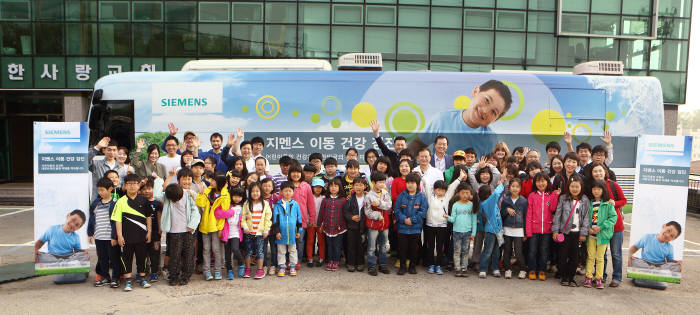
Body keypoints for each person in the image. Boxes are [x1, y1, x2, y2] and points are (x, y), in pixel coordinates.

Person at [418, 80, 513, 156]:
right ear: (476, 91)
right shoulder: (443, 119)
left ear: (496, 119)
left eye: (493, 112)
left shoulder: (490, 139)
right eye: (487, 100)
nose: (485, 111)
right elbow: (418, 144)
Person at [154, 168, 200, 286]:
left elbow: (196, 212)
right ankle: (173, 276)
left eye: (189, 179)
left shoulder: (189, 194)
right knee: (174, 254)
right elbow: (158, 194)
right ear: (178, 180)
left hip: (188, 231)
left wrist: (192, 225)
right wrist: (161, 180)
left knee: (189, 254)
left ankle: (186, 276)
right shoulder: (169, 193)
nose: (186, 181)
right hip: (174, 231)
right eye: (183, 179)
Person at [585, 162, 626, 287]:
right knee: (600, 255)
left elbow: (624, 200)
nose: (598, 173)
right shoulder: (592, 188)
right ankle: (600, 276)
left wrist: (614, 204)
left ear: (605, 171)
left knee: (616, 253)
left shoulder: (613, 184)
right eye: (595, 171)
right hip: (596, 231)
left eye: (600, 171)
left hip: (615, 226)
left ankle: (617, 278)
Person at [111, 174, 153, 291]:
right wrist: (119, 235)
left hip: (141, 236)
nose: (132, 186)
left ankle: (142, 278)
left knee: (142, 257)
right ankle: (128, 281)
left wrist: (149, 231)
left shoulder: (144, 200)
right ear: (125, 186)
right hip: (126, 237)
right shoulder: (120, 201)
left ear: (139, 185)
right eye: (129, 184)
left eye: (135, 183)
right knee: (126, 258)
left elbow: (148, 217)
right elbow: (117, 220)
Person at [424, 169, 465, 275]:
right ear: (434, 190)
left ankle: (438, 265)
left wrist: (460, 178)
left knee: (440, 246)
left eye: (442, 190)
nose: (440, 192)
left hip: (442, 225)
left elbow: (452, 187)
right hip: (430, 225)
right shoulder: (430, 197)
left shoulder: (447, 197)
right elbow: (426, 184)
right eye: (438, 190)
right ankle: (431, 265)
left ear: (445, 191)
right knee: (430, 246)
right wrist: (421, 175)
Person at [552, 174, 590, 287]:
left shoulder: (585, 200)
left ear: (581, 187)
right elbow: (558, 215)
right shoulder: (563, 198)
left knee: (575, 257)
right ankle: (564, 276)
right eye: (572, 186)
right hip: (565, 232)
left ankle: (571, 277)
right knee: (562, 255)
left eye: (577, 187)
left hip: (577, 233)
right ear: (568, 187)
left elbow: (586, 218)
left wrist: (583, 233)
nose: (574, 189)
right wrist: (555, 230)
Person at [628, 221, 683, 289]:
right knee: (633, 260)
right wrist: (630, 254)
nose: (667, 235)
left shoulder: (669, 247)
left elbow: (669, 261)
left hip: (659, 267)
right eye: (668, 230)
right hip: (645, 264)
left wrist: (677, 263)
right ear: (663, 226)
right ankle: (649, 275)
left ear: (673, 239)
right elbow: (635, 247)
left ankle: (651, 275)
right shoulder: (647, 237)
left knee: (677, 266)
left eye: (671, 236)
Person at [583, 180, 617, 289]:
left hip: (602, 236)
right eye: (594, 189)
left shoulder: (608, 204)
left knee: (600, 258)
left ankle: (599, 278)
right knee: (590, 256)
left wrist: (601, 227)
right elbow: (584, 218)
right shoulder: (589, 203)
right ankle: (588, 277)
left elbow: (613, 218)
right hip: (591, 235)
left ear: (603, 190)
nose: (596, 191)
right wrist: (588, 228)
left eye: (599, 189)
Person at [525, 172, 559, 281]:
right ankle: (531, 270)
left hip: (547, 230)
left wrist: (555, 195)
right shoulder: (532, 195)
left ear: (547, 182)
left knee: (544, 251)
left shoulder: (550, 195)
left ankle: (542, 270)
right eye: (538, 181)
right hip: (534, 229)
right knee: (532, 251)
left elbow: (553, 209)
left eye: (543, 181)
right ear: (535, 183)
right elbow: (529, 214)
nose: (541, 183)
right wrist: (528, 231)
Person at [196, 174, 229, 281]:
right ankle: (206, 271)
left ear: (220, 183)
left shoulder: (225, 195)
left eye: (213, 180)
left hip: (215, 227)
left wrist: (220, 228)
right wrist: (200, 194)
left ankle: (217, 270)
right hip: (205, 225)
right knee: (206, 249)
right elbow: (200, 204)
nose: (211, 181)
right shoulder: (207, 191)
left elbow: (224, 213)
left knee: (216, 249)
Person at [87, 177, 119, 287]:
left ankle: (115, 277)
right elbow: (92, 219)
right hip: (99, 236)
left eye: (102, 190)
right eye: (98, 190)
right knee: (102, 258)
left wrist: (115, 236)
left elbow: (117, 221)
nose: (100, 192)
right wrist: (90, 233)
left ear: (110, 189)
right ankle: (105, 277)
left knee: (114, 258)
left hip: (111, 237)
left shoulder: (115, 203)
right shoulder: (95, 203)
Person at [394, 173, 428, 275]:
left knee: (413, 249)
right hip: (402, 228)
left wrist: (412, 220)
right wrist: (404, 219)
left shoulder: (422, 197)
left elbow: (423, 211)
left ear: (417, 184)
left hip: (415, 228)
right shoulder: (401, 195)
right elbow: (397, 210)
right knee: (402, 248)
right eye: (408, 182)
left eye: (412, 183)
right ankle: (403, 267)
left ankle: (412, 266)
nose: (410, 185)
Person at [241, 182, 273, 279]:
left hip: (260, 233)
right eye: (253, 191)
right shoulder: (246, 204)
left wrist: (266, 230)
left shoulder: (265, 204)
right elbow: (242, 218)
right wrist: (245, 227)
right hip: (249, 232)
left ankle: (259, 270)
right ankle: (248, 269)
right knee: (248, 251)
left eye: (257, 191)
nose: (255, 193)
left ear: (261, 192)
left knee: (260, 251)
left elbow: (268, 218)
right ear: (249, 193)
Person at [364, 172, 393, 276]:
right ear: (373, 183)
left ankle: (383, 265)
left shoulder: (385, 193)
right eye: (380, 182)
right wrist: (377, 215)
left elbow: (389, 205)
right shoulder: (368, 196)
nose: (382, 184)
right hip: (373, 226)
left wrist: (380, 204)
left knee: (383, 245)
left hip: (384, 225)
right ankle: (371, 266)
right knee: (372, 247)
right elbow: (367, 211)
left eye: (383, 182)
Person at [288, 161, 316, 268]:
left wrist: (312, 218)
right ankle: (289, 260)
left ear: (301, 173)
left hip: (302, 220)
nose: (296, 174)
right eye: (293, 172)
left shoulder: (306, 186)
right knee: (289, 241)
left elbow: (310, 203)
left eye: (298, 172)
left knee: (300, 241)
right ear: (290, 173)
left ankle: (297, 261)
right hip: (287, 220)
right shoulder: (287, 185)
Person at [272, 181, 303, 277]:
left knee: (293, 250)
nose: (288, 193)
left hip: (292, 232)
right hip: (281, 233)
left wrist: (299, 231)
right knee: (281, 251)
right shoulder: (277, 205)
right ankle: (282, 266)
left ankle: (292, 265)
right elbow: (275, 220)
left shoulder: (295, 204)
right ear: (281, 192)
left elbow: (299, 219)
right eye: (285, 191)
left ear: (293, 192)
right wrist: (277, 232)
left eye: (290, 191)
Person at [213, 185, 244, 280]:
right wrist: (229, 213)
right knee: (227, 254)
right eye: (235, 196)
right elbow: (218, 214)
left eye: (239, 197)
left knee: (235, 249)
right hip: (226, 232)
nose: (237, 198)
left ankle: (241, 263)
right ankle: (229, 271)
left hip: (236, 232)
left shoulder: (243, 207)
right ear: (231, 196)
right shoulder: (228, 206)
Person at [500, 178, 528, 280]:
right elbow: (501, 214)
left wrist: (525, 232)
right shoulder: (506, 200)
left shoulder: (524, 201)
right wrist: (506, 210)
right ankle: (507, 269)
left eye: (517, 186)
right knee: (507, 250)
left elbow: (526, 217)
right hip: (507, 228)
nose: (515, 188)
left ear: (520, 188)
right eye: (513, 186)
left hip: (519, 230)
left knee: (518, 251)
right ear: (509, 188)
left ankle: (523, 269)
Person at [477, 177, 505, 279]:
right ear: (488, 194)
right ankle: (483, 269)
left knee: (496, 251)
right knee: (488, 250)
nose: (493, 191)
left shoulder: (490, 202)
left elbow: (496, 195)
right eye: (491, 191)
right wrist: (501, 183)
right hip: (491, 230)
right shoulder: (487, 203)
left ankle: (495, 268)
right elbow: (496, 194)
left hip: (497, 230)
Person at [447, 183, 477, 277]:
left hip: (467, 232)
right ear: (459, 193)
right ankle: (457, 268)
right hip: (456, 232)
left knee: (465, 251)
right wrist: (447, 217)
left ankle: (464, 268)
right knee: (457, 251)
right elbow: (453, 219)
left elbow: (474, 220)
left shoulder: (472, 205)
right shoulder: (455, 205)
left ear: (470, 194)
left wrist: (473, 233)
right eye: (463, 193)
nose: (465, 195)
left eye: (467, 193)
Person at [318, 178, 347, 271]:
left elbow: (345, 214)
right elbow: (321, 213)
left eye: (336, 186)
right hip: (327, 227)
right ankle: (330, 261)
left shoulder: (343, 200)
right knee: (329, 245)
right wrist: (320, 225)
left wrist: (346, 226)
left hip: (339, 228)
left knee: (337, 245)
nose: (333, 188)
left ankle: (336, 261)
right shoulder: (325, 200)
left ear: (339, 188)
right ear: (328, 188)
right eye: (331, 186)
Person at [139, 178, 163, 283]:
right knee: (142, 254)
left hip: (155, 233)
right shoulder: (139, 202)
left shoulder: (157, 203)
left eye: (149, 189)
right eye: (144, 189)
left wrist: (160, 229)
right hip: (141, 233)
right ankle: (142, 271)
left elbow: (159, 216)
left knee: (155, 253)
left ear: (153, 189)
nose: (146, 191)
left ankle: (154, 272)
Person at [343, 177, 368, 272]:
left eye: (361, 185)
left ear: (365, 186)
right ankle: (351, 263)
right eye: (356, 185)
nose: (358, 187)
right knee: (351, 246)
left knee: (361, 246)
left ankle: (360, 263)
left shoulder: (367, 198)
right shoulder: (349, 199)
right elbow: (345, 211)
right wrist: (351, 217)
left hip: (363, 226)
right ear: (353, 186)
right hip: (352, 227)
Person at [261, 178, 281, 275]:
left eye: (269, 186)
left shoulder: (276, 197)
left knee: (274, 248)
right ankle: (264, 266)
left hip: (274, 228)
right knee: (263, 248)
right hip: (262, 228)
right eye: (264, 185)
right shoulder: (259, 198)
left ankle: (273, 265)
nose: (266, 188)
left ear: (273, 187)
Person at [307, 178, 326, 268]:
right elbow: (307, 210)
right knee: (310, 241)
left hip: (320, 224)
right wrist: (309, 221)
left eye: (320, 187)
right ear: (312, 187)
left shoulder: (324, 198)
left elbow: (325, 212)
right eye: (315, 187)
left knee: (321, 242)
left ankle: (321, 257)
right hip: (311, 223)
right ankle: (310, 258)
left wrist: (322, 223)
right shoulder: (309, 196)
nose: (318, 189)